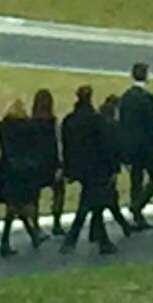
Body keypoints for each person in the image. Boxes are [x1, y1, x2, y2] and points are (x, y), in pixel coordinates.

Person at [57, 86, 119, 254]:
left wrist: (68, 169)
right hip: (96, 168)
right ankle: (76, 239)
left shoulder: (69, 120)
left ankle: (97, 239)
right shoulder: (96, 120)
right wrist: (113, 168)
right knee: (88, 204)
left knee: (91, 202)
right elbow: (105, 146)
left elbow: (66, 147)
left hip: (78, 168)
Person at [0, 99, 49, 256]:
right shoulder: (29, 128)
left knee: (14, 206)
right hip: (24, 170)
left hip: (7, 170)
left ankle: (27, 237)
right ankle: (22, 237)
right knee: (19, 205)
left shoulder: (1, 128)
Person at [115, 61, 153, 229]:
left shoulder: (126, 97)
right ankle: (137, 207)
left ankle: (137, 213)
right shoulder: (147, 98)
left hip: (130, 146)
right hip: (146, 147)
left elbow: (122, 123)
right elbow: (152, 125)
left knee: (136, 180)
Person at [31, 88, 66, 236]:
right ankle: (56, 223)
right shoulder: (54, 123)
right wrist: (61, 163)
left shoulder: (30, 124)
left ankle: (35, 224)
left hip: (36, 164)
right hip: (51, 163)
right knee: (59, 192)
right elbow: (59, 143)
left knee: (34, 196)